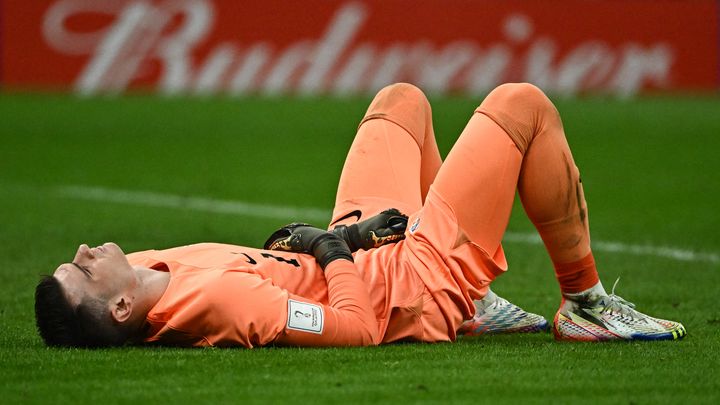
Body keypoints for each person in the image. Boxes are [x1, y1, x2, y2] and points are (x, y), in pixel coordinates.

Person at [34, 83, 686, 348]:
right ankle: (585, 301)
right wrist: (335, 250)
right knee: (522, 105)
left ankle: (476, 302)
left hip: (359, 247)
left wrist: (333, 238)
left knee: (399, 101)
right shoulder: (221, 304)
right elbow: (356, 327)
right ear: (119, 309)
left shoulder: (144, 272)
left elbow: (274, 264)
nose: (88, 249)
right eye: (83, 269)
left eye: (77, 256)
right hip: (405, 285)